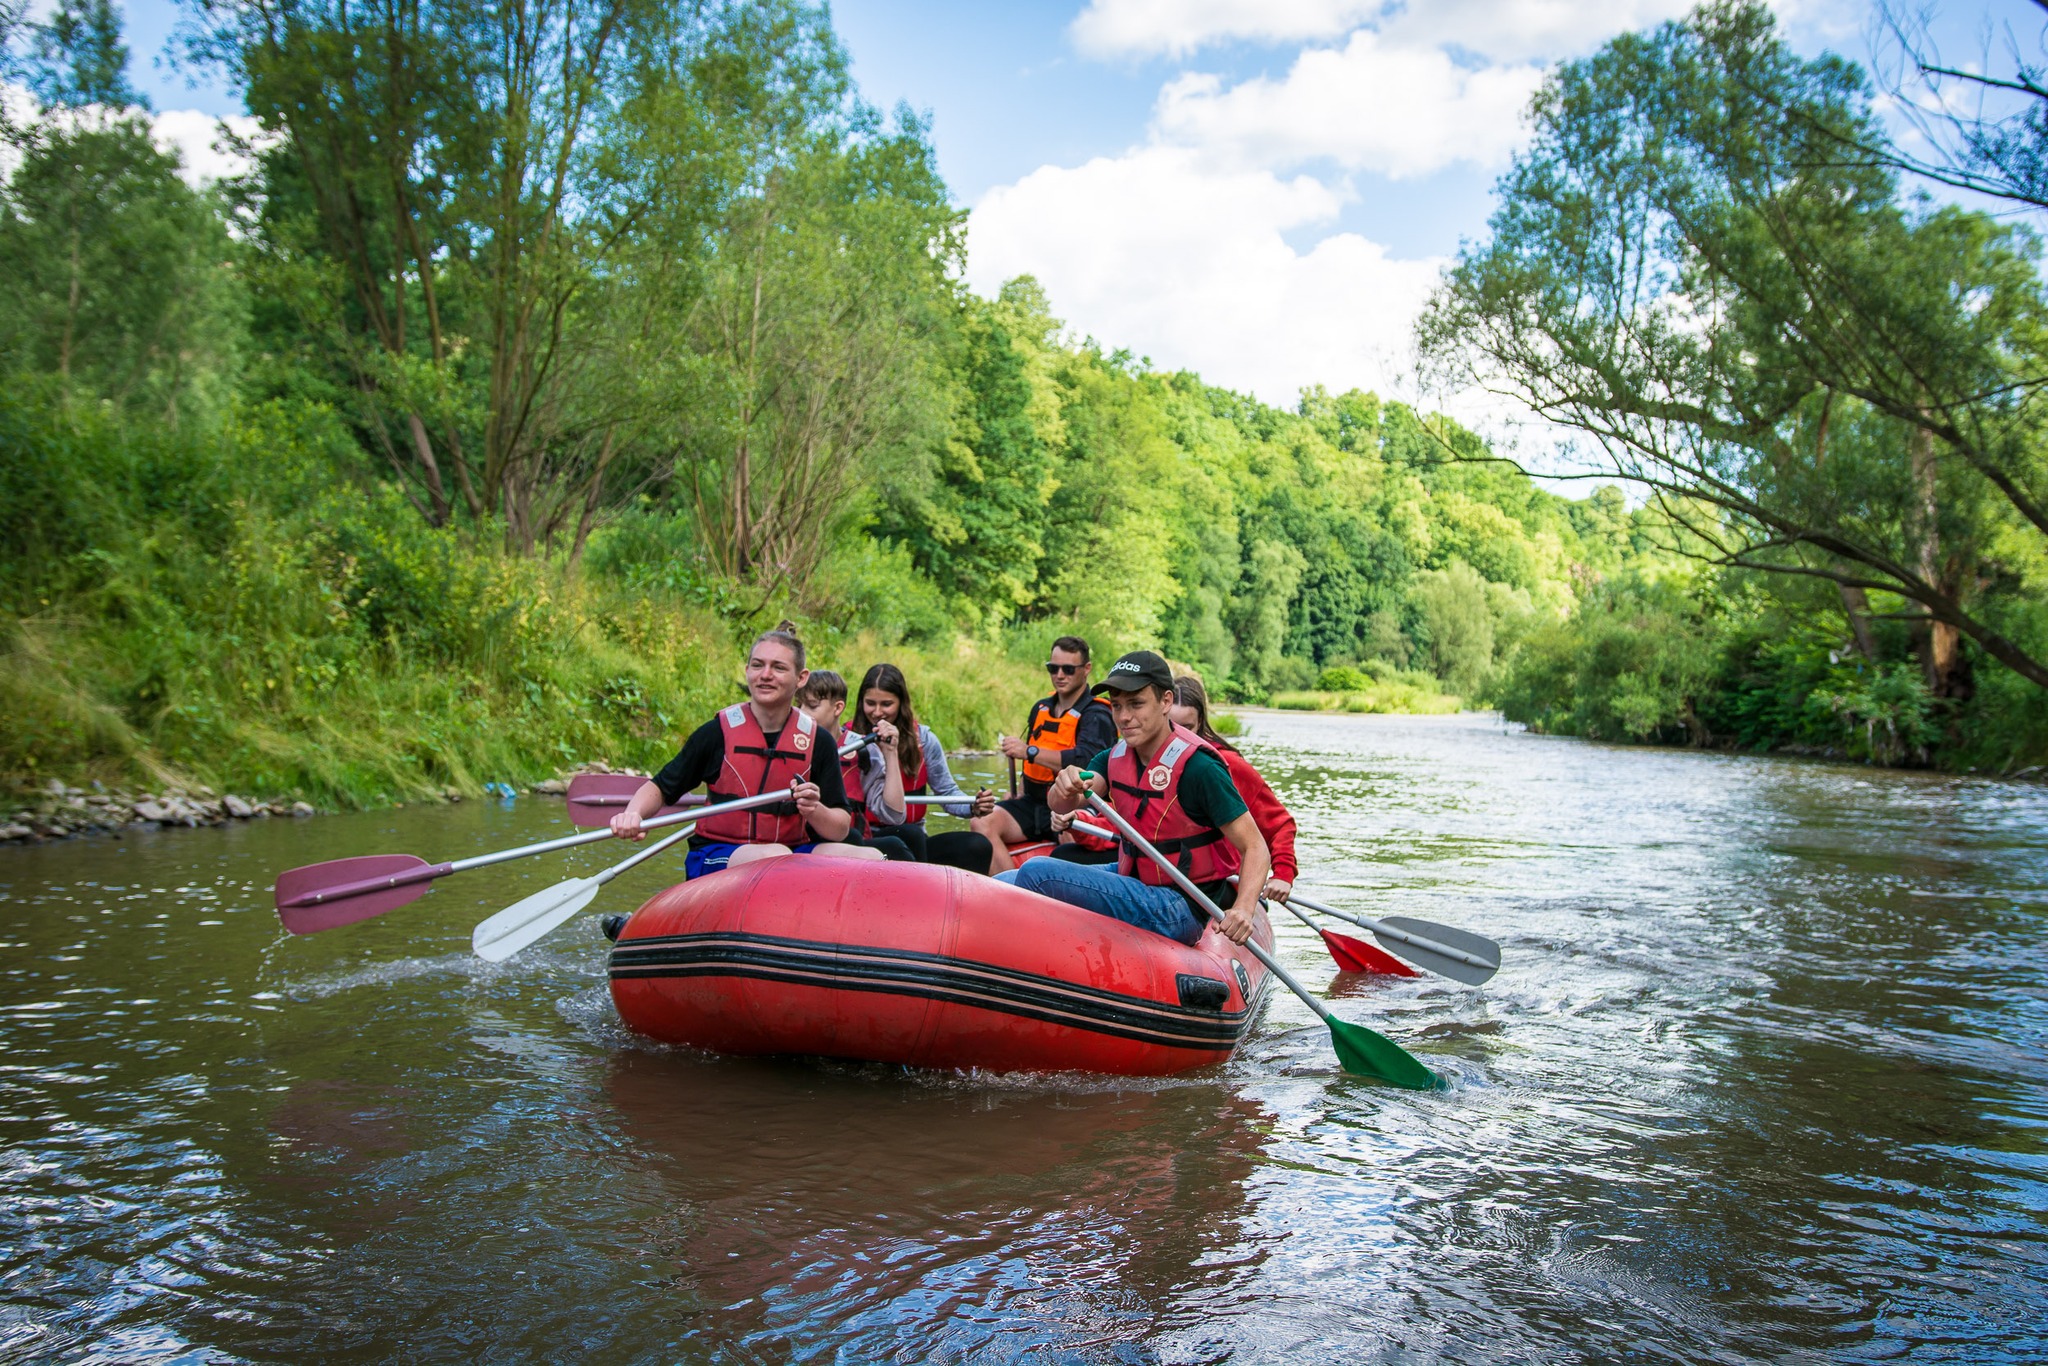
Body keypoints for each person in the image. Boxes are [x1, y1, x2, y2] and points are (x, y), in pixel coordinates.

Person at [996, 650, 1269, 946]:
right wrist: (1065, 786)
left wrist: (1243, 908)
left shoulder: (1199, 768)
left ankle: (1025, 949)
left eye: (1136, 704)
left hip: (1180, 906)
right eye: (1117, 706)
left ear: (1165, 701)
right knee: (1002, 883)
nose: (1124, 717)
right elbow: (1066, 802)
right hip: (1135, 880)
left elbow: (1255, 846)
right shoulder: (1114, 756)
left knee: (1039, 872)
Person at [609, 626, 881, 877]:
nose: (765, 675)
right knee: (776, 857)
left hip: (788, 854)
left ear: (801, 678)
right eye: (757, 665)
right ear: (747, 671)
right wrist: (633, 813)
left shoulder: (818, 741)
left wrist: (814, 810)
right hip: (718, 853)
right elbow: (659, 788)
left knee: (871, 856)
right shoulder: (717, 733)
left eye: (778, 667)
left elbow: (840, 828)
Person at [971, 634, 1116, 872]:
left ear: (1086, 669)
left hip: (1074, 804)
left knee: (1071, 829)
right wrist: (1016, 791)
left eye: (1068, 669)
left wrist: (1030, 751)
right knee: (981, 822)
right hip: (1033, 802)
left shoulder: (1097, 714)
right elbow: (1030, 767)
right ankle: (1011, 893)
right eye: (1053, 668)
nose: (1059, 675)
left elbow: (1086, 763)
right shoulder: (1041, 708)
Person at [853, 663, 997, 874]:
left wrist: (972, 807)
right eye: (870, 703)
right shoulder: (849, 742)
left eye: (886, 704)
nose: (877, 712)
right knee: (909, 835)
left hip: (915, 841)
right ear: (860, 703)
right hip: (869, 838)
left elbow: (946, 791)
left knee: (977, 845)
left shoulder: (925, 740)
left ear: (901, 703)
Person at [798, 670, 915, 863]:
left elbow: (894, 815)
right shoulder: (787, 747)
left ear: (838, 708)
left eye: (811, 706)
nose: (802, 713)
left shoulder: (862, 750)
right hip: (807, 843)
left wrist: (890, 753)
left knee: (905, 838)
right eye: (798, 705)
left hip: (852, 842)